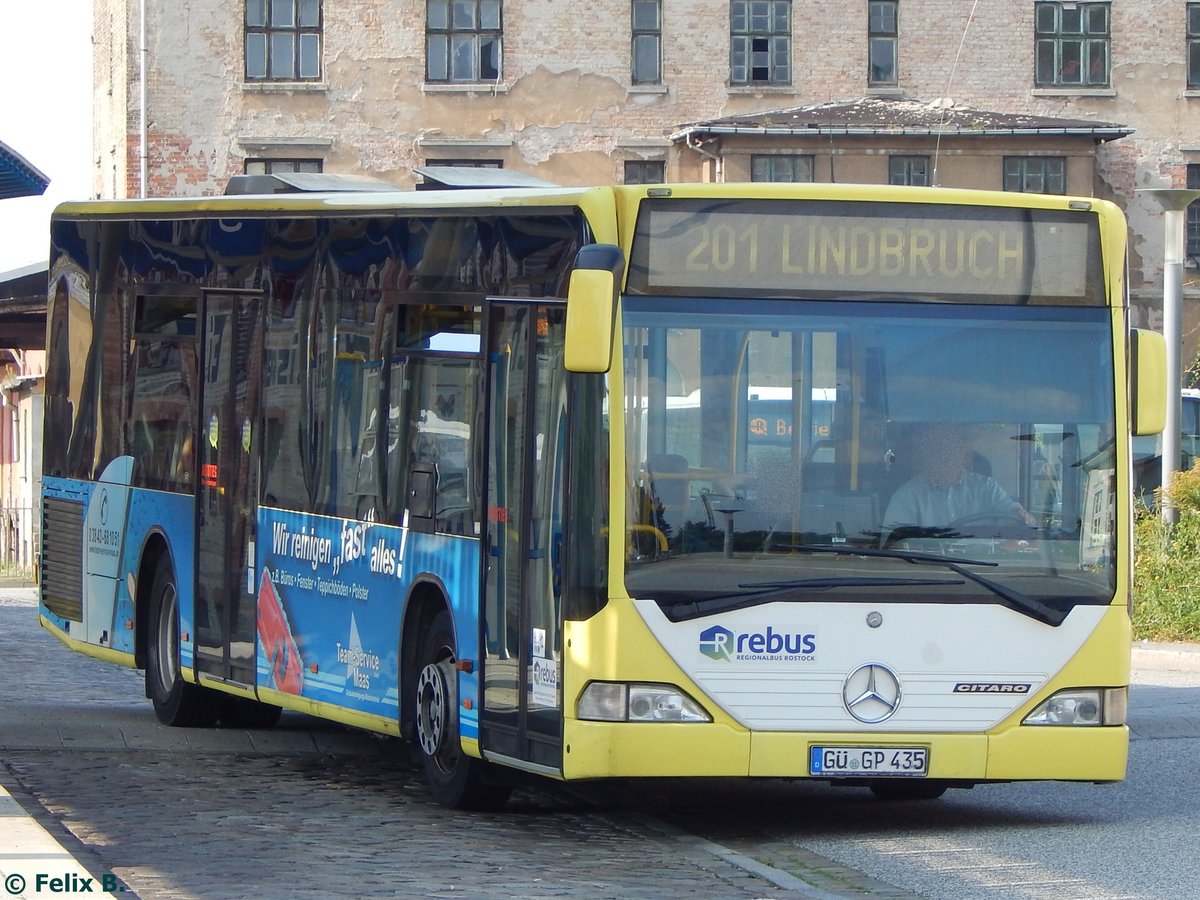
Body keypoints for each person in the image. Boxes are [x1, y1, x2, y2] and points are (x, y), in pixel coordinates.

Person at [883, 424, 1037, 543]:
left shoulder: (987, 488)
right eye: (938, 450)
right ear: (926, 455)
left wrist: (1020, 517)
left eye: (952, 449)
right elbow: (894, 544)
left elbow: (1011, 515)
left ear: (964, 452)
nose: (946, 456)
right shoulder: (907, 496)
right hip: (929, 570)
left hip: (985, 569)